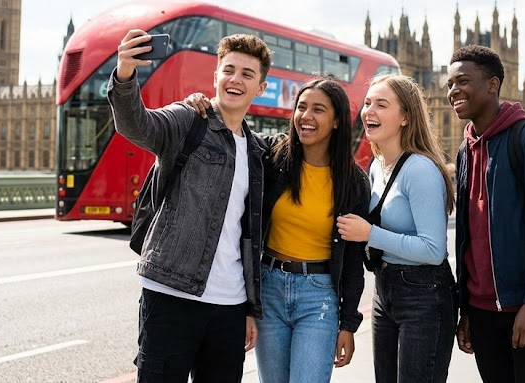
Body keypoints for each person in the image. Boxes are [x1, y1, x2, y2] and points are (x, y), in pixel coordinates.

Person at [108, 30, 270, 382]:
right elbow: (136, 124)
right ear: (215, 77)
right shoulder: (188, 120)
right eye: (228, 70)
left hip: (230, 305)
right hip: (170, 295)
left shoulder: (258, 152)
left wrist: (248, 309)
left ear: (261, 87)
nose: (235, 80)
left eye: (247, 74)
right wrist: (124, 74)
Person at [186, 79, 371, 382]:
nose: (305, 116)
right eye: (301, 107)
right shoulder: (272, 157)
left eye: (318, 110)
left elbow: (352, 261)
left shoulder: (354, 182)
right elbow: (233, 132)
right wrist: (202, 104)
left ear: (337, 120)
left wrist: (349, 324)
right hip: (268, 290)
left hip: (318, 298)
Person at [445, 45, 525, 383]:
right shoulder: (465, 151)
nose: (453, 90)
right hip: (484, 312)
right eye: (448, 84)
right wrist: (466, 308)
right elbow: (468, 237)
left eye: (462, 81)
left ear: (492, 84)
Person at [336, 74, 456, 383]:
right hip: (385, 288)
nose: (369, 111)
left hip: (425, 294)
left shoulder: (420, 170)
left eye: (381, 105)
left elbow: (433, 250)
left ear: (405, 117)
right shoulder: (377, 166)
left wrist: (369, 234)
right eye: (367, 103)